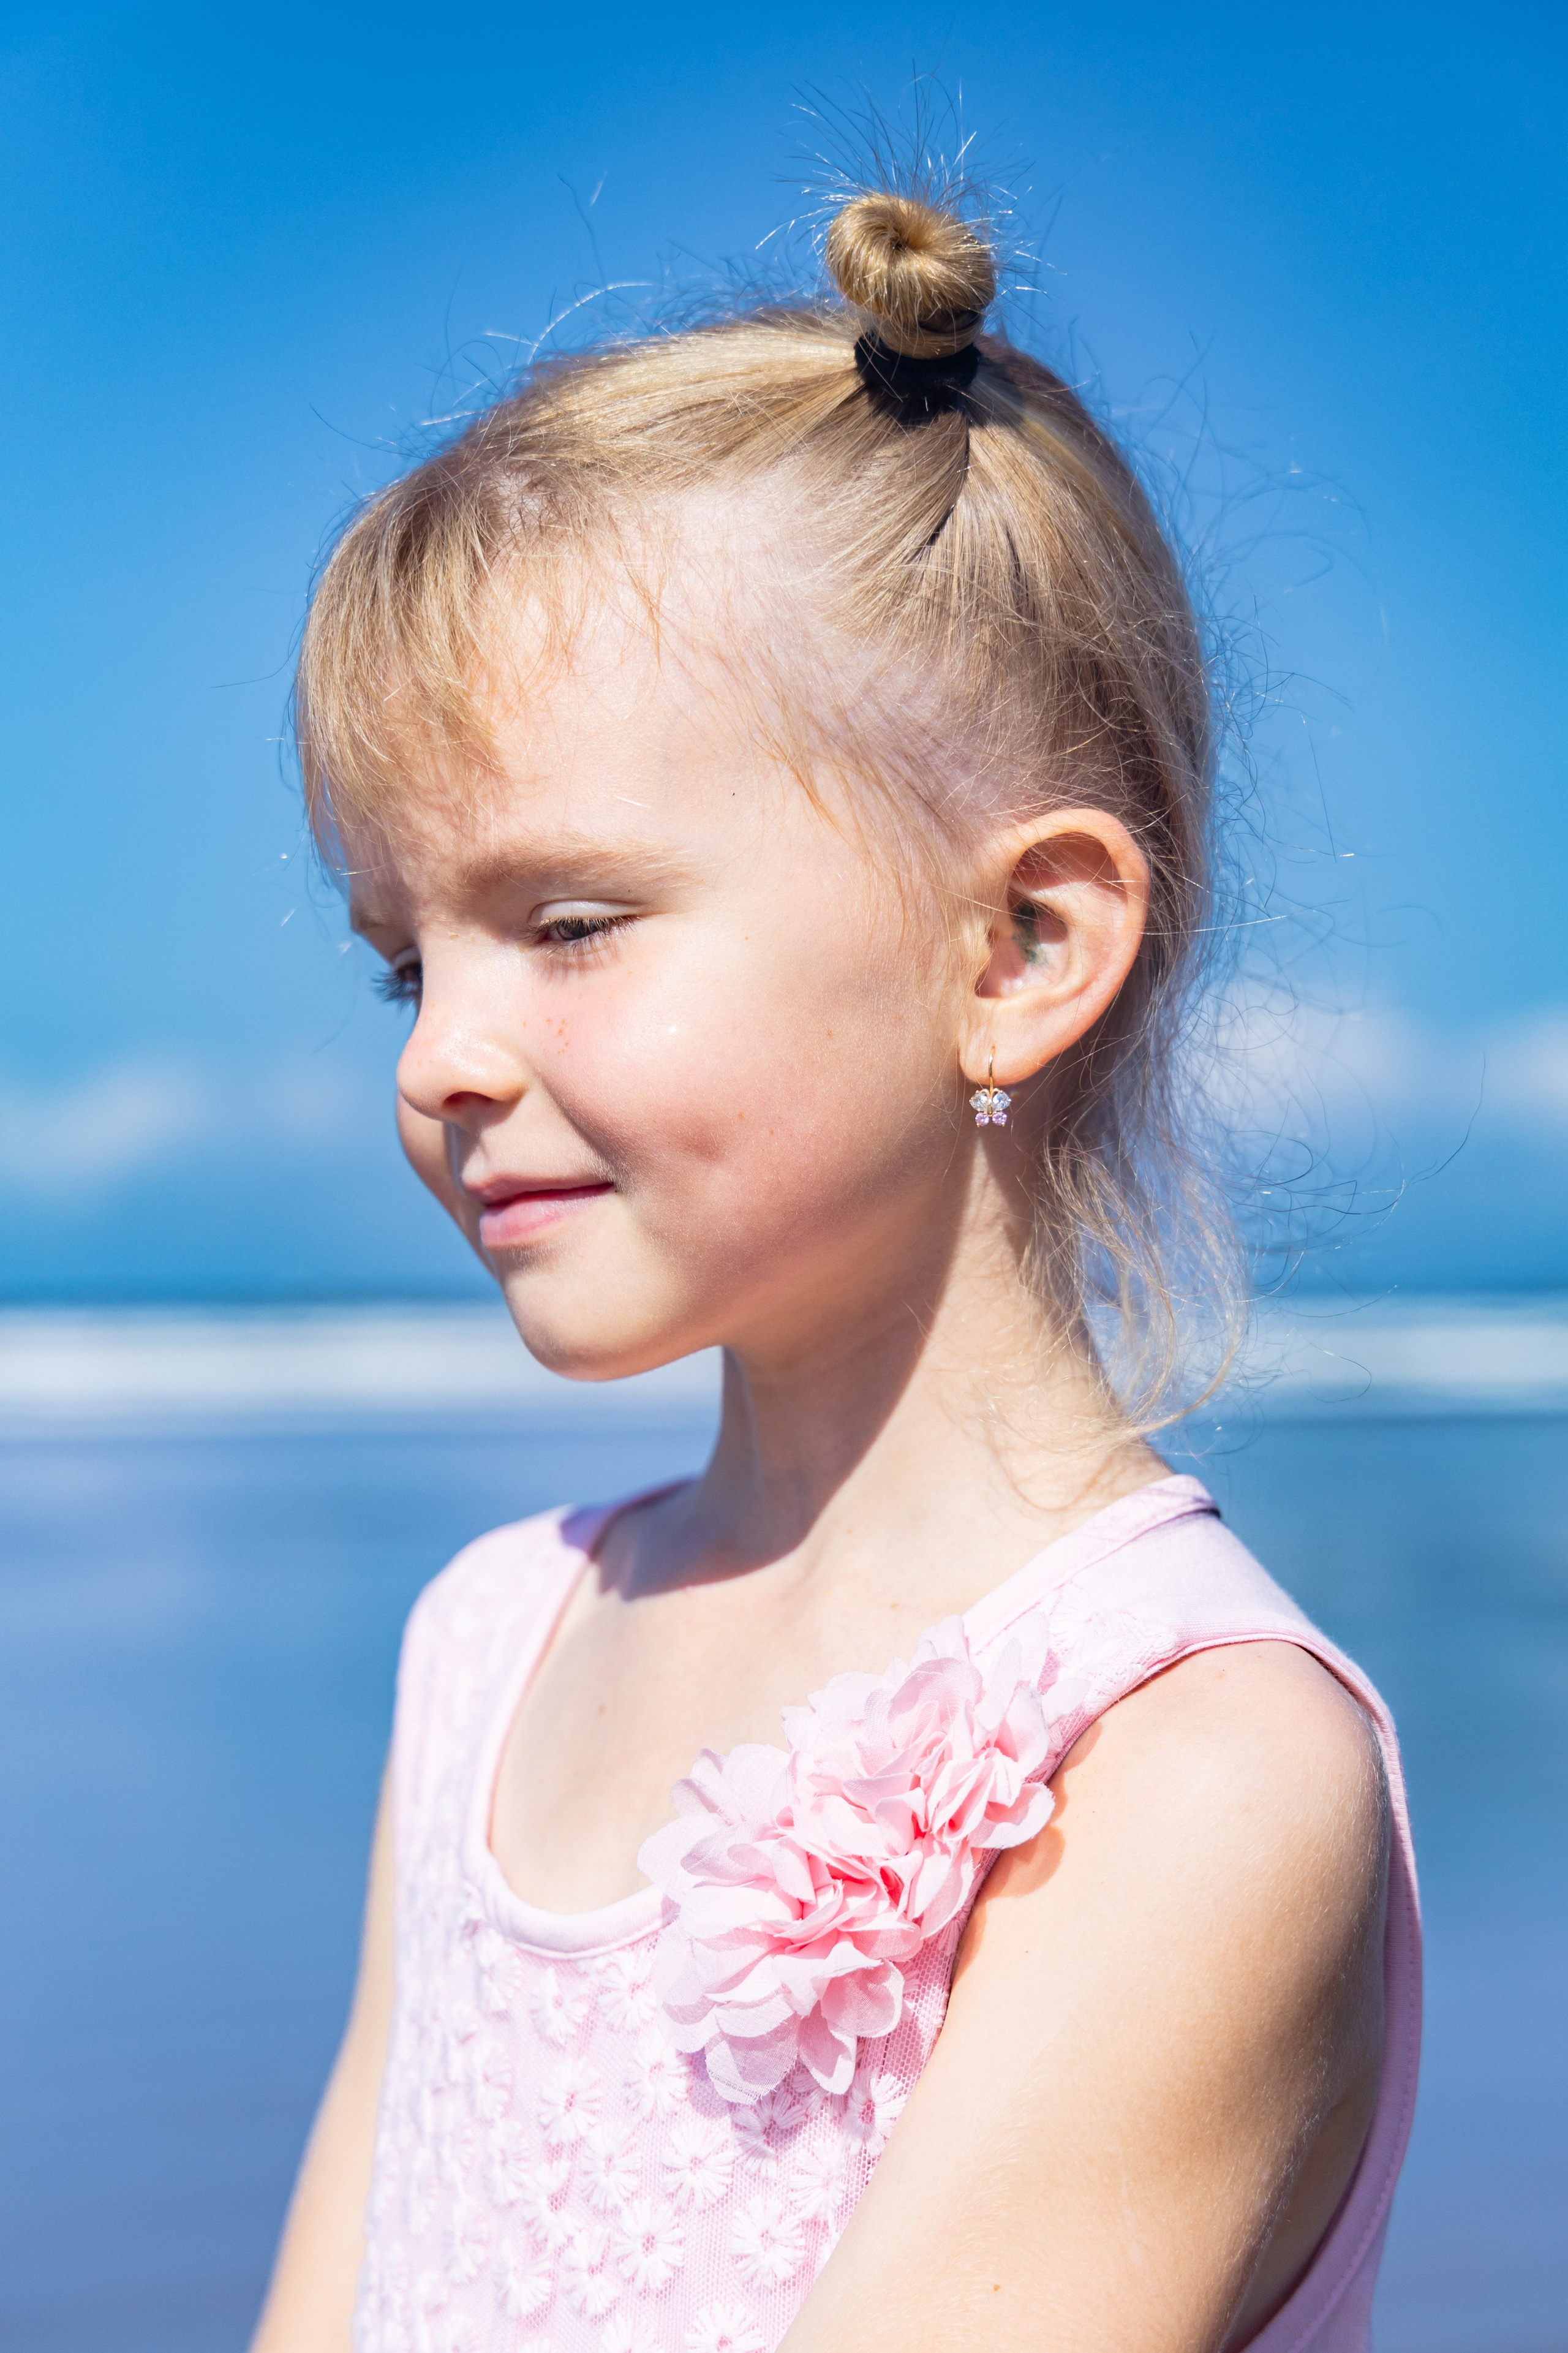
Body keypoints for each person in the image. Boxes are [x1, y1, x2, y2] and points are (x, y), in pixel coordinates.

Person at [252, 184, 1419, 2353]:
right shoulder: (489, 1642)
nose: (440, 1059)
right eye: (405, 960)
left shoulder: (1185, 1773)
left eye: (571, 925)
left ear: (1018, 946)